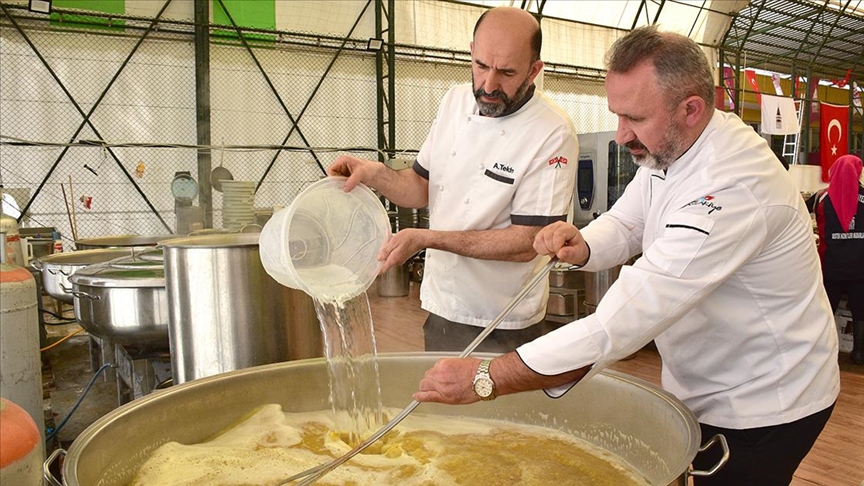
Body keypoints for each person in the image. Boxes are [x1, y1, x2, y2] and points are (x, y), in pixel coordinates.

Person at [413, 25, 840, 486]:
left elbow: (619, 324)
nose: (620, 135)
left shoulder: (731, 188)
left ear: (691, 108)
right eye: (616, 115)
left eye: (634, 118)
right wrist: (585, 246)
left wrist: (487, 377)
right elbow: (631, 220)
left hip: (763, 399)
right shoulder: (678, 144)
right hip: (703, 377)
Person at [327, 7, 578, 353]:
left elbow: (526, 244)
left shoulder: (551, 132)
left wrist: (428, 239)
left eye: (506, 72)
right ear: (472, 50)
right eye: (481, 66)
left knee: (496, 407)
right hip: (442, 305)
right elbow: (420, 187)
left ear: (534, 70)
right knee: (443, 404)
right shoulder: (454, 102)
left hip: (502, 318)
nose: (489, 85)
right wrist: (374, 174)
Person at [812, 154, 864, 364]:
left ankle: (823, 353)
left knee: (826, 310)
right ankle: (859, 353)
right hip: (860, 266)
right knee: (860, 310)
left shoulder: (821, 197)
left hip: (831, 264)